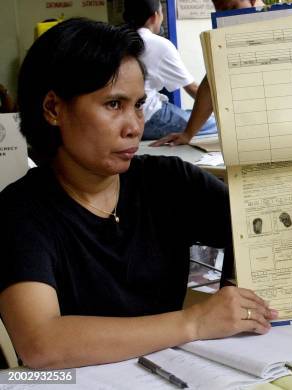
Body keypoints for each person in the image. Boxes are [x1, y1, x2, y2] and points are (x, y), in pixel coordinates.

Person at [0, 18, 276, 369]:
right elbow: (42, 344)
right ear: (54, 109)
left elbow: (272, 221)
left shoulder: (168, 182)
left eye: (139, 104)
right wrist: (193, 322)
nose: (134, 127)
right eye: (114, 105)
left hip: (179, 373)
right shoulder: (21, 212)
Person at [150, 0, 292, 146]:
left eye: (234, 6)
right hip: (254, 141)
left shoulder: (285, 22)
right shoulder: (226, 42)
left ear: (254, 2)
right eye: (221, 10)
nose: (227, 15)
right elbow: (212, 81)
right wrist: (188, 134)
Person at [123, 0, 212, 140]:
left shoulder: (119, 39)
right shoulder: (159, 44)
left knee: (189, 113)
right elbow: (193, 88)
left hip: (123, 117)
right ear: (155, 16)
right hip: (149, 116)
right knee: (213, 123)